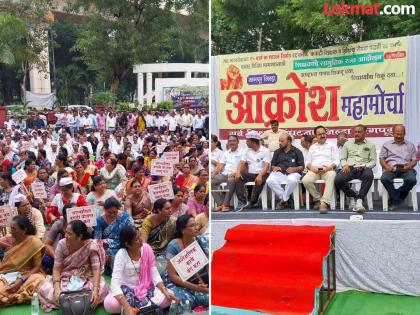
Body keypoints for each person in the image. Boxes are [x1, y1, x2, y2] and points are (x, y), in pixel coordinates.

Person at [38, 220, 109, 312]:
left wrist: (95, 289)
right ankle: (80, 301)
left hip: (86, 277)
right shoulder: (62, 244)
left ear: (80, 236)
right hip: (65, 278)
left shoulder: (91, 246)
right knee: (46, 289)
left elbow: (96, 269)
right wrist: (56, 288)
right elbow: (56, 269)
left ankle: (69, 302)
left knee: (102, 287)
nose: (66, 236)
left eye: (70, 234)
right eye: (66, 233)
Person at [104, 225, 177, 314]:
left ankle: (137, 308)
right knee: (110, 304)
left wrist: (164, 290)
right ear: (127, 244)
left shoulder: (146, 249)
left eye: (140, 236)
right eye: (137, 239)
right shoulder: (121, 254)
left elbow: (154, 273)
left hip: (146, 288)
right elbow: (115, 283)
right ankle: (138, 307)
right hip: (126, 290)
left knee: (169, 295)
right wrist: (127, 307)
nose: (141, 240)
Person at [163, 215, 208, 309]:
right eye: (192, 225)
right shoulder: (173, 246)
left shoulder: (201, 241)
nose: (196, 228)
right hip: (178, 282)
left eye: (196, 224)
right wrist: (197, 288)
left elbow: (208, 265)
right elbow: (173, 276)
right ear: (182, 230)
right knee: (183, 301)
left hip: (201, 279)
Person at [0, 216, 45, 306]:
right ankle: (12, 297)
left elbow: (37, 267)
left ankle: (13, 297)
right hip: (7, 275)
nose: (11, 231)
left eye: (14, 228)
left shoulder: (34, 242)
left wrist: (21, 280)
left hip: (27, 274)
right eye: (10, 228)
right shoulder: (10, 239)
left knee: (38, 280)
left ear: (24, 230)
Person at [335, 125, 376, 213]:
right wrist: (344, 164)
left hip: (364, 167)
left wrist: (365, 166)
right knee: (338, 179)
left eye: (359, 132)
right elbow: (343, 158)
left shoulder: (371, 145)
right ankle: (354, 196)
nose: (357, 134)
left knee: (369, 175)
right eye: (355, 132)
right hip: (350, 167)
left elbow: (373, 162)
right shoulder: (347, 143)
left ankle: (359, 200)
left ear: (365, 133)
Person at [379, 124, 417, 211]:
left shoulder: (410, 145)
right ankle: (398, 198)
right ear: (393, 133)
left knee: (412, 180)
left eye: (401, 134)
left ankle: (394, 198)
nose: (399, 136)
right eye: (397, 134)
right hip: (392, 168)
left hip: (406, 168)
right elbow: (381, 159)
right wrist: (386, 166)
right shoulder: (386, 144)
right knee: (384, 178)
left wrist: (409, 166)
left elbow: (414, 160)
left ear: (404, 133)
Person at [302, 126, 339, 214]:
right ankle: (317, 199)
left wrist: (328, 168)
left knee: (331, 176)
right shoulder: (312, 147)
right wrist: (311, 168)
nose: (322, 135)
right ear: (315, 136)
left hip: (328, 169)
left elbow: (337, 161)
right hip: (315, 170)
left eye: (324, 133)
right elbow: (307, 162)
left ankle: (324, 203)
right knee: (306, 180)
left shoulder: (332, 145)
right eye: (320, 134)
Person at [94, 197, 134, 273]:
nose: (112, 215)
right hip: (108, 246)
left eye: (114, 212)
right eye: (109, 212)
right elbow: (97, 239)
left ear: (118, 210)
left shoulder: (125, 217)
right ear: (105, 210)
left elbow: (132, 230)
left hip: (124, 242)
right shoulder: (99, 220)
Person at [266, 132, 304, 210]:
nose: (280, 143)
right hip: (280, 173)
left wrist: (294, 169)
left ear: (289, 141)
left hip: (293, 173)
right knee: (269, 180)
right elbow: (272, 165)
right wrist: (274, 167)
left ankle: (283, 200)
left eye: (282, 141)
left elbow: (302, 167)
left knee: (292, 180)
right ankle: (287, 198)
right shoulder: (277, 152)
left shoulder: (297, 151)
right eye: (279, 141)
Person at [235, 131, 271, 211]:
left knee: (259, 179)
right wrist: (238, 172)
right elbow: (241, 163)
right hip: (251, 173)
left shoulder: (265, 151)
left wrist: (260, 175)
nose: (246, 142)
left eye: (248, 141)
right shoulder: (246, 151)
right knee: (238, 178)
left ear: (253, 141)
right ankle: (242, 201)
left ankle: (253, 201)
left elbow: (266, 166)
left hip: (263, 173)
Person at [211, 135, 242, 212]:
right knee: (212, 181)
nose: (232, 142)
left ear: (238, 142)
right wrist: (214, 173)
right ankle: (220, 204)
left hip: (235, 174)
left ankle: (225, 204)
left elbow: (244, 165)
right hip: (225, 174)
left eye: (234, 141)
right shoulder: (226, 153)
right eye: (230, 141)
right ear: (228, 143)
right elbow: (220, 165)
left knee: (231, 181)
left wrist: (236, 172)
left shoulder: (243, 152)